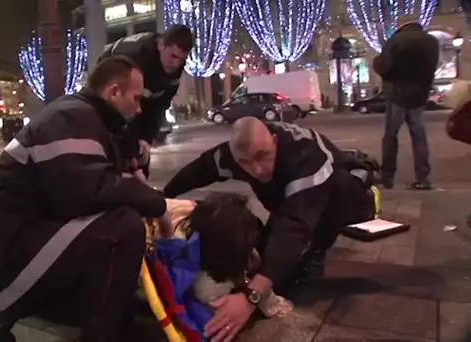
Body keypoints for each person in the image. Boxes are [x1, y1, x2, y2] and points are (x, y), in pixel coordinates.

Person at [0, 56, 168, 342]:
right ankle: (98, 332)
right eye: (135, 99)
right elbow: (89, 189)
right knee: (124, 228)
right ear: (113, 92)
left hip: (33, 228)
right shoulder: (72, 116)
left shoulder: (89, 117)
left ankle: (108, 312)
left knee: (121, 220)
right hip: (10, 244)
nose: (138, 110)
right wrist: (157, 203)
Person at [163, 117, 376, 341]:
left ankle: (318, 247)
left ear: (274, 141)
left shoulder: (307, 159)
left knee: (286, 262)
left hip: (345, 195)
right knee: (268, 260)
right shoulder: (236, 155)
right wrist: (163, 198)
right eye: (245, 162)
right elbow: (200, 169)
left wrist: (250, 296)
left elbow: (294, 228)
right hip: (289, 199)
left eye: (262, 156)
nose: (257, 168)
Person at [100, 24, 194, 177]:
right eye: (173, 56)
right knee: (121, 154)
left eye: (181, 59)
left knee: (142, 155)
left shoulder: (175, 67)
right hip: (110, 89)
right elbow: (124, 106)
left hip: (137, 95)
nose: (176, 64)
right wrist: (133, 150)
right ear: (161, 45)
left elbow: (161, 103)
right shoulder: (135, 59)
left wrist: (146, 138)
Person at [373, 22, 439, 190]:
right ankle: (423, 178)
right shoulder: (431, 41)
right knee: (418, 135)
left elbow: (384, 66)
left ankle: (387, 176)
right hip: (419, 95)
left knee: (390, 135)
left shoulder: (396, 40)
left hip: (398, 93)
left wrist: (376, 62)